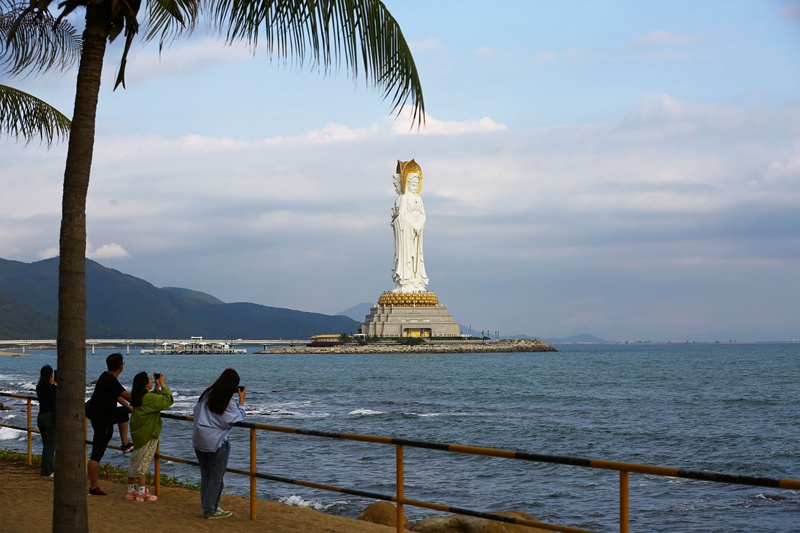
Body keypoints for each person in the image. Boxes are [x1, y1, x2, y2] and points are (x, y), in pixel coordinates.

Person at [192, 368, 246, 519]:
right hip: (216, 442)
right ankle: (211, 510)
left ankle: (208, 506)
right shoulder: (226, 402)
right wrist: (241, 401)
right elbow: (236, 418)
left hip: (199, 440)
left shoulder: (207, 394)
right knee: (216, 478)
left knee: (206, 476)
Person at [86, 352, 133, 496]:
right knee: (96, 454)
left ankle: (125, 443)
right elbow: (125, 395)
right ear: (121, 366)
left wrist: (130, 407)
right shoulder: (111, 380)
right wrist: (144, 400)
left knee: (124, 413)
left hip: (99, 415)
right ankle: (93, 487)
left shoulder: (105, 377)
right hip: (103, 419)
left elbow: (117, 396)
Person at [125, 371, 173, 502]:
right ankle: (141, 492)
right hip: (147, 434)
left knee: (135, 460)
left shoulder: (138, 397)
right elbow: (167, 401)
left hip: (138, 434)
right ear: (145, 384)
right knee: (143, 463)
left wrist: (157, 388)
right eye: (150, 380)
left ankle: (130, 490)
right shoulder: (148, 398)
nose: (152, 381)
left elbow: (153, 399)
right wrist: (163, 385)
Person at [391, 159, 429, 293]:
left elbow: (423, 214)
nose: (415, 185)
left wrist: (419, 224)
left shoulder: (418, 199)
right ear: (406, 182)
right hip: (406, 233)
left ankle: (416, 282)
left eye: (416, 183)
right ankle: (405, 282)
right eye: (412, 182)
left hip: (416, 233)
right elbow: (401, 216)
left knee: (416, 258)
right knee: (406, 256)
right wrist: (410, 224)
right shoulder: (403, 198)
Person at [36, 365, 57, 477]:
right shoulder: (52, 388)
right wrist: (55, 384)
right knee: (50, 446)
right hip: (50, 418)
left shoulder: (39, 386)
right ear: (50, 375)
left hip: (41, 416)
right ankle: (46, 471)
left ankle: (50, 468)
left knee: (47, 444)